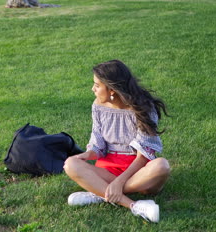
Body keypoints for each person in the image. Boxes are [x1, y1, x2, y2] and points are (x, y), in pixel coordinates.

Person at [64, 60, 170, 223]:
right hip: (108, 168)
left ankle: (99, 192)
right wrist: (87, 155)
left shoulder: (144, 108)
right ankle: (134, 205)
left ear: (112, 89)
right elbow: (98, 143)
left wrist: (118, 183)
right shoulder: (98, 106)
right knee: (71, 164)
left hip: (138, 170)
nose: (93, 89)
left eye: (97, 85)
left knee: (161, 166)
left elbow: (144, 156)